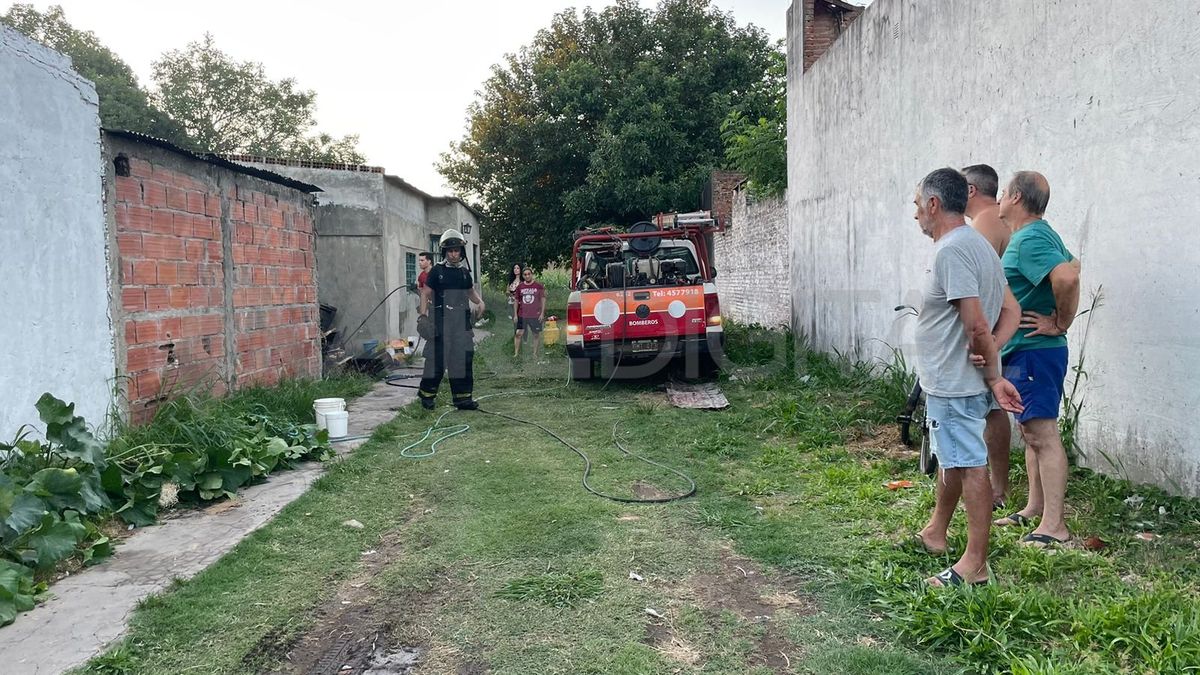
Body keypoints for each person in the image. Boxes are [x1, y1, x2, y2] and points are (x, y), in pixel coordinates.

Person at [910, 168, 1023, 587]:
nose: (916, 213)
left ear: (935, 204)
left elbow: (975, 325)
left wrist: (992, 372)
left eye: (918, 203)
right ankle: (937, 531)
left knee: (970, 465)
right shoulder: (979, 245)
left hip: (956, 383)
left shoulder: (952, 251)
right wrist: (992, 351)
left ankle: (974, 565)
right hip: (959, 380)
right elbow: (1009, 312)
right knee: (954, 457)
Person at [991, 171, 1080, 548]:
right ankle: (1034, 509)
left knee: (1042, 434)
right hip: (1024, 350)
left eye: (1002, 194)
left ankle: (1054, 526)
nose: (998, 201)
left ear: (1014, 197)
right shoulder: (1037, 235)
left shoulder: (1030, 239)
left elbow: (1068, 278)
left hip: (1035, 352)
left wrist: (1060, 322)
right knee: (1030, 433)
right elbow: (1074, 266)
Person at [961, 163, 1015, 509]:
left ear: (970, 191)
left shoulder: (984, 224)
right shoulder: (996, 221)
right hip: (1004, 326)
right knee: (996, 407)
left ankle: (995, 488)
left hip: (998, 330)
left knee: (992, 407)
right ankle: (998, 485)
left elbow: (973, 286)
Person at [417, 230, 486, 411]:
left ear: (461, 252)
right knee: (436, 360)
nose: (454, 254)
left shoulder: (464, 273)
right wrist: (423, 316)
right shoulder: (437, 271)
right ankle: (427, 397)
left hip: (460, 323)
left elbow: (470, 292)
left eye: (457, 251)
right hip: (440, 321)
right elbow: (425, 293)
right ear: (445, 252)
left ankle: (463, 400)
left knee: (462, 359)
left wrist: (480, 302)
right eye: (450, 251)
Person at [513, 267, 546, 358]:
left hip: (535, 315)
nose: (527, 276)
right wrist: (515, 314)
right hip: (522, 314)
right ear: (523, 276)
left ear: (532, 274)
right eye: (525, 274)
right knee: (518, 333)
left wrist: (542, 313)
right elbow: (516, 301)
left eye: (529, 274)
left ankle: (534, 353)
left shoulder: (538, 286)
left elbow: (543, 299)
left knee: (536, 334)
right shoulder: (520, 287)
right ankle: (516, 353)